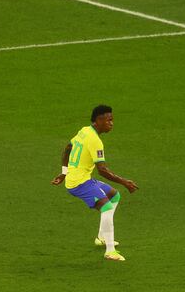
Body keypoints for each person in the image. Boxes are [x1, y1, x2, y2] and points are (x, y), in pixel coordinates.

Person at [51, 105, 139, 261]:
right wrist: (125, 182)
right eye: (108, 120)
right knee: (106, 206)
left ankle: (101, 238)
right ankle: (110, 251)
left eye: (112, 120)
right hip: (79, 183)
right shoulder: (95, 141)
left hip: (82, 178)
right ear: (98, 120)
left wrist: (64, 172)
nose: (111, 123)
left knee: (114, 196)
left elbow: (68, 148)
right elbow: (103, 170)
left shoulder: (84, 131)